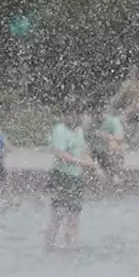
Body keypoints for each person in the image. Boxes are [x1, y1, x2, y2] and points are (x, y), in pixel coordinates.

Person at [46, 99, 93, 251]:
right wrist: (79, 161)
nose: (73, 117)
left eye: (76, 114)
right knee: (58, 215)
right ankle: (50, 245)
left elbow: (85, 149)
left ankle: (71, 246)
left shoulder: (78, 131)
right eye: (69, 114)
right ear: (64, 116)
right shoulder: (60, 129)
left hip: (77, 179)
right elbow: (60, 153)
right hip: (62, 176)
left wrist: (94, 166)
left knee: (75, 215)